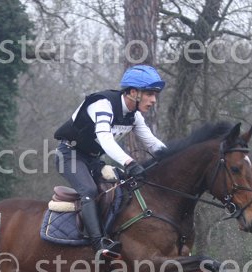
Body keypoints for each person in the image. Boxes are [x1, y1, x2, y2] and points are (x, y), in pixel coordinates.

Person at [53, 64, 168, 259]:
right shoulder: (102, 104)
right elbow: (105, 140)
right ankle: (98, 245)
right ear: (133, 92)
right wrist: (129, 163)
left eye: (155, 95)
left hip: (93, 160)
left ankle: (116, 235)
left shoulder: (134, 117)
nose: (153, 100)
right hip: (69, 155)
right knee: (89, 190)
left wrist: (173, 157)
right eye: (149, 94)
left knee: (124, 187)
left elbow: (152, 143)